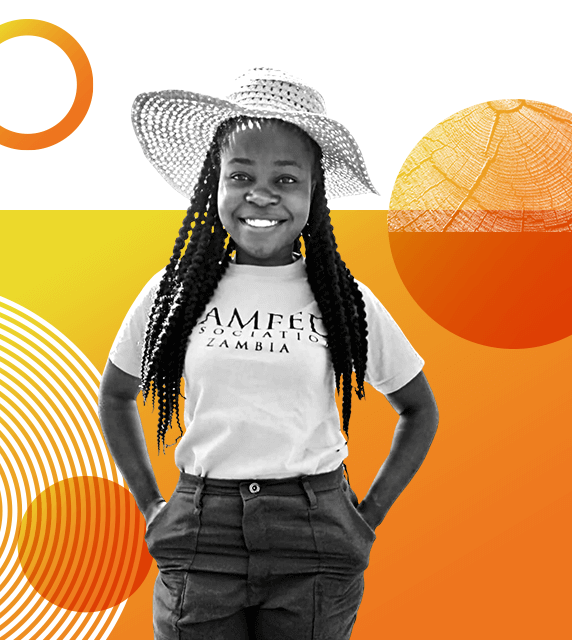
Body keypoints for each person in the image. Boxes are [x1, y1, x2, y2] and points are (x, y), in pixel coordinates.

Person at [99, 68, 439, 640]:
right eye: (241, 175)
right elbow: (116, 394)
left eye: (286, 178)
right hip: (201, 532)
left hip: (314, 531)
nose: (261, 194)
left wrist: (368, 516)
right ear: (216, 185)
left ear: (313, 194)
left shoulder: (343, 298)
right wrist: (152, 504)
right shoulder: (172, 290)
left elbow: (419, 409)